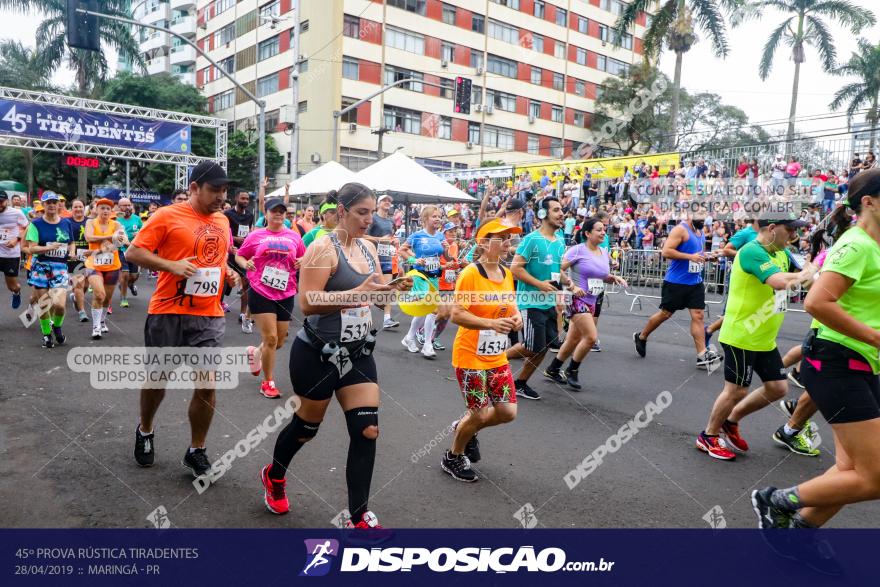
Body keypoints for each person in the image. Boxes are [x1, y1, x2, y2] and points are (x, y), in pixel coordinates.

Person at [260, 182, 411, 528]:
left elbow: (371, 295)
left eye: (372, 212)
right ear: (341, 211)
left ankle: (358, 514)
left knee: (367, 430)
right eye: (362, 212)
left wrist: (390, 289)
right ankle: (275, 475)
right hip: (317, 353)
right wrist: (358, 292)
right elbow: (308, 302)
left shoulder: (369, 250)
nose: (369, 219)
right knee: (306, 428)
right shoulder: (321, 249)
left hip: (356, 354)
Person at [751, 170, 880, 568]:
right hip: (836, 362)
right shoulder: (856, 245)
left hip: (863, 365)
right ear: (869, 202)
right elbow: (818, 303)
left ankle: (797, 536)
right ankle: (776, 500)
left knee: (849, 470)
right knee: (874, 477)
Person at [125, 161, 239, 477]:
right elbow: (133, 253)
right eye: (215, 190)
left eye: (224, 190)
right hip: (168, 311)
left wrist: (226, 272)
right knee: (158, 379)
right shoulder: (166, 216)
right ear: (194, 188)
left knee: (207, 384)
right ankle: (145, 429)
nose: (221, 196)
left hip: (209, 314)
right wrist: (171, 266)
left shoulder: (222, 221)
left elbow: (216, 256)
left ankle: (196, 450)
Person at [697, 217, 814, 460]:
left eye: (796, 230)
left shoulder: (783, 253)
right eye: (789, 230)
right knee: (736, 390)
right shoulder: (752, 251)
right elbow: (778, 281)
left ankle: (731, 420)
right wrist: (805, 274)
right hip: (741, 335)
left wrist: (817, 272)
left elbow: (805, 279)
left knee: (777, 387)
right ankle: (708, 436)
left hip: (763, 338)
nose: (793, 235)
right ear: (772, 229)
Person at [441, 219, 524, 482]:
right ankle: (453, 456)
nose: (507, 241)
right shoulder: (470, 274)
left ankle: (466, 427)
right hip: (470, 355)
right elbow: (456, 314)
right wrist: (490, 322)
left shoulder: (507, 273)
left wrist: (517, 317)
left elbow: (511, 306)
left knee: (507, 412)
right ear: (484, 243)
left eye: (509, 237)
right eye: (501, 237)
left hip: (495, 355)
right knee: (477, 412)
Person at [236, 195, 306, 399]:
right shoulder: (256, 235)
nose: (278, 214)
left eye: (281, 211)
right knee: (271, 338)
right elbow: (240, 254)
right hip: (261, 290)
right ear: (265, 214)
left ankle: (256, 354)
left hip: (286, 290)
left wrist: (301, 261)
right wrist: (244, 264)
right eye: (274, 211)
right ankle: (268, 382)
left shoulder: (293, 236)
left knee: (280, 340)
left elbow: (304, 255)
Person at [545, 218, 626, 390]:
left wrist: (613, 278)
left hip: (592, 300)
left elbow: (601, 276)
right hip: (576, 299)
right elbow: (556, 269)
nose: (603, 232)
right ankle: (572, 370)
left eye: (604, 229)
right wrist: (571, 286)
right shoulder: (577, 251)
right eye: (598, 230)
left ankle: (554, 368)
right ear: (587, 234)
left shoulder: (604, 252)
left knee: (574, 338)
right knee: (590, 337)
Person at [633, 212, 723, 369]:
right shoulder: (680, 230)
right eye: (700, 216)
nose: (704, 220)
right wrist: (690, 257)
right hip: (676, 282)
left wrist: (708, 257)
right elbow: (666, 252)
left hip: (695, 282)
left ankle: (702, 355)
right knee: (665, 314)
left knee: (698, 315)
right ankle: (642, 336)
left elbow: (697, 255)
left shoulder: (700, 232)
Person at [505, 197, 570, 401]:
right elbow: (515, 269)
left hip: (549, 302)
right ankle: (492, 358)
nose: (561, 214)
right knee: (532, 346)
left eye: (562, 210)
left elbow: (555, 270)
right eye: (556, 210)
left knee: (544, 346)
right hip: (530, 301)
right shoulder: (531, 239)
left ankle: (520, 383)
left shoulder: (560, 240)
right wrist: (539, 284)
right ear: (543, 214)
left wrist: (568, 284)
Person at [22, 192, 74, 348]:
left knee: (59, 305)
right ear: (43, 205)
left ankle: (57, 327)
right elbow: (31, 248)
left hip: (60, 268)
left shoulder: (66, 223)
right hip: (41, 267)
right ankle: (46, 334)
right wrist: (49, 247)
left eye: (54, 202)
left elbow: (71, 242)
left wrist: (71, 251)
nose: (51, 205)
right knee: (44, 303)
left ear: (58, 204)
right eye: (48, 202)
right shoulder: (35, 224)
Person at [400, 205, 448, 359]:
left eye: (439, 216)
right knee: (432, 309)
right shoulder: (417, 236)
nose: (438, 219)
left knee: (423, 309)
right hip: (420, 276)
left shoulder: (441, 236)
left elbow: (445, 258)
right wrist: (415, 259)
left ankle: (409, 337)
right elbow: (401, 250)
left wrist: (446, 251)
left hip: (434, 276)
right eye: (434, 216)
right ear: (425, 219)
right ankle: (428, 344)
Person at [84, 198, 126, 339]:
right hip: (93, 265)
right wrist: (111, 236)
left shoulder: (117, 224)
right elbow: (89, 238)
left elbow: (121, 243)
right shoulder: (90, 222)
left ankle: (102, 321)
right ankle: (96, 327)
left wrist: (99, 250)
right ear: (96, 210)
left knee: (107, 299)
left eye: (108, 209)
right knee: (99, 294)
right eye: (102, 208)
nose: (105, 211)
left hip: (112, 265)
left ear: (111, 211)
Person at [364, 193, 399, 329]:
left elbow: (389, 237)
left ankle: (387, 319)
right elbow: (363, 236)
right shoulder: (373, 218)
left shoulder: (390, 221)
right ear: (378, 204)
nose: (387, 202)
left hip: (387, 258)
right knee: (370, 289)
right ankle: (363, 316)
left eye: (389, 201)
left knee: (389, 287)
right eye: (384, 200)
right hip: (372, 258)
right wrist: (379, 239)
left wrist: (394, 241)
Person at [225, 188, 256, 333]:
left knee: (246, 283)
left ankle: (243, 313)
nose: (245, 201)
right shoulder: (227, 214)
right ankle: (217, 307)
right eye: (243, 198)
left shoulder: (250, 215)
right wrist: (236, 239)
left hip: (243, 254)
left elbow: (249, 231)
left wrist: (248, 239)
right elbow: (225, 232)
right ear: (236, 198)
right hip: (229, 253)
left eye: (247, 199)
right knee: (224, 284)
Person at [0, 189, 29, 310]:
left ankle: (16, 292)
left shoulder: (16, 213)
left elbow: (28, 227)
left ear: (7, 201)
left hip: (10, 254)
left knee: (12, 285)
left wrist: (17, 239)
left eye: (1, 201)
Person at [115, 197, 143, 309]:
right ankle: (123, 298)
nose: (127, 207)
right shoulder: (116, 219)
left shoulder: (137, 219)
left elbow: (144, 231)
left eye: (128, 205)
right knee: (125, 274)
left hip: (134, 250)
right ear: (119, 207)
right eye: (124, 205)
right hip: (121, 250)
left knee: (134, 276)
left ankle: (129, 285)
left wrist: (139, 233)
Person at [66, 199, 90, 322]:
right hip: (73, 257)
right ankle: (82, 312)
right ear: (72, 209)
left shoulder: (90, 221)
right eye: (75, 207)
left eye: (80, 206)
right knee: (79, 284)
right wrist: (69, 251)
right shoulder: (67, 222)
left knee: (85, 285)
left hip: (88, 256)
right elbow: (64, 239)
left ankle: (76, 297)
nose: (78, 209)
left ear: (84, 208)